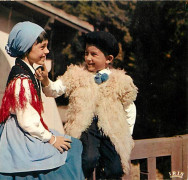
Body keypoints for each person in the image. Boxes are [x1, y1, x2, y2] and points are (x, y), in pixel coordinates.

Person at [0, 21, 84, 180]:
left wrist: (45, 80)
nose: (47, 51)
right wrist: (52, 140)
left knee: (74, 147)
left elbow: (49, 92)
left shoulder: (28, 72)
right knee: (70, 151)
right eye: (42, 47)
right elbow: (27, 121)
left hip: (24, 130)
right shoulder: (22, 80)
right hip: (20, 134)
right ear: (27, 48)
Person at [36, 31, 138, 179]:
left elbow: (130, 108)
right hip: (86, 128)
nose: (88, 58)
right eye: (86, 53)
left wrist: (126, 135)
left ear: (108, 59)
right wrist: (45, 80)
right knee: (87, 160)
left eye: (93, 54)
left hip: (111, 130)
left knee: (116, 167)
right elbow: (55, 90)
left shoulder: (120, 81)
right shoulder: (76, 75)